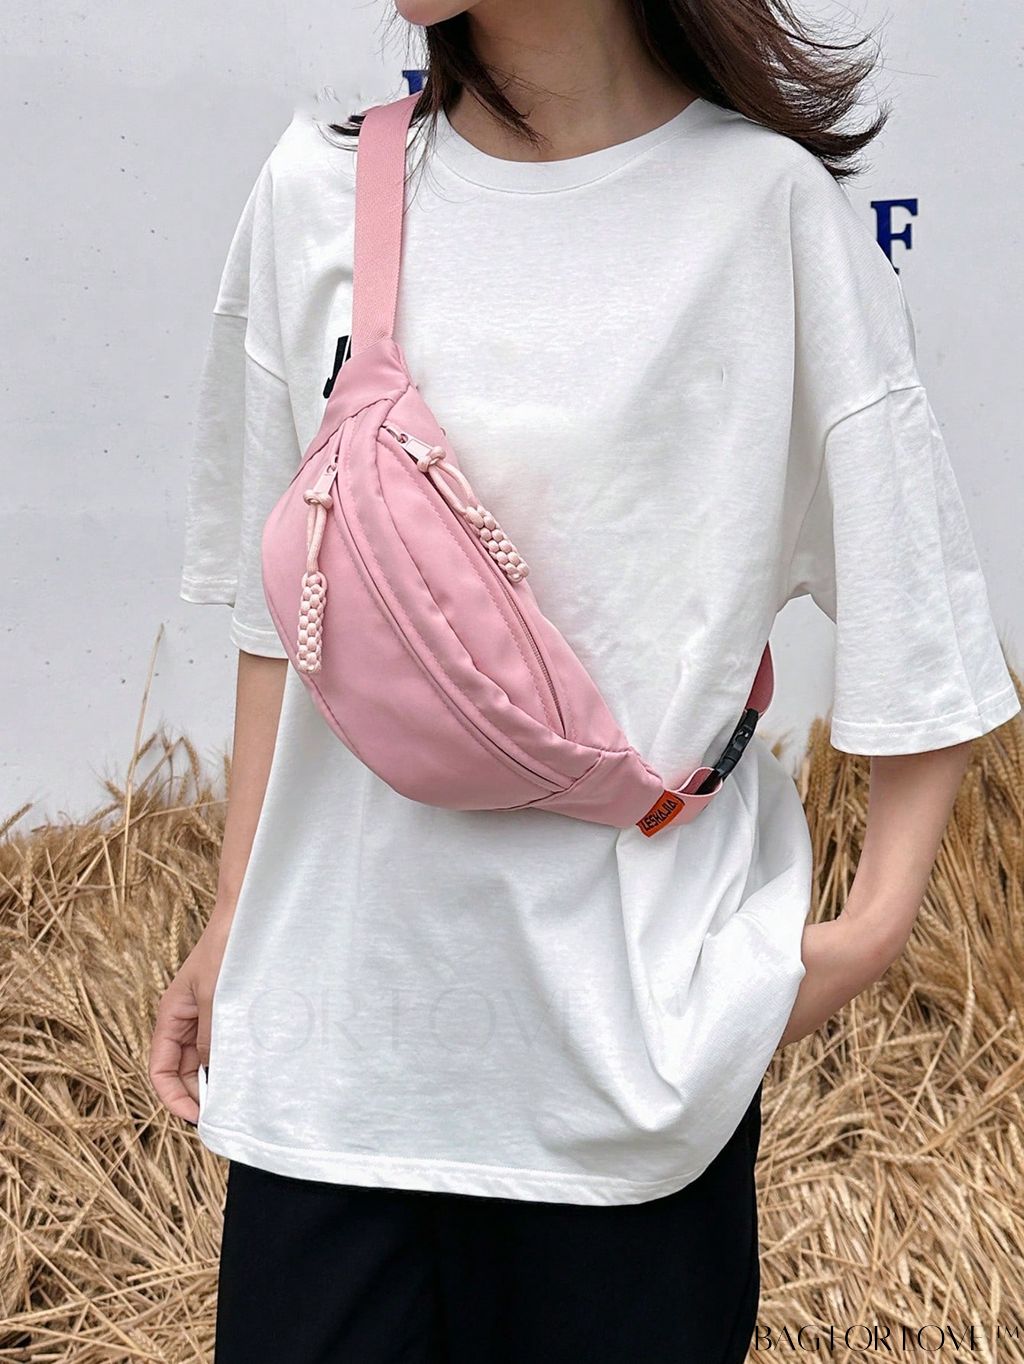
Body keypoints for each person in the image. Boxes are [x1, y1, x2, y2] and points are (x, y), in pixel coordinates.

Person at [151, 1, 1020, 1359]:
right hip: (337, 1064)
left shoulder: (764, 214)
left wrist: (863, 938)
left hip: (629, 1086)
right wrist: (228, 923)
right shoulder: (320, 189)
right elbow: (287, 624)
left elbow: (923, 620)